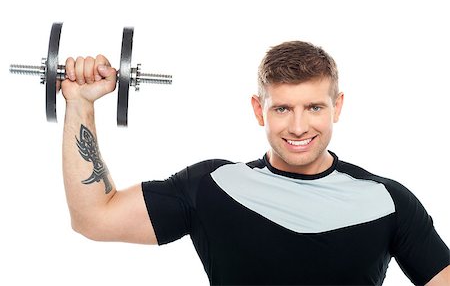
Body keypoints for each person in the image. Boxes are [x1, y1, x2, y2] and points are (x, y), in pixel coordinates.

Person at [61, 41, 449, 285]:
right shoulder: (212, 185)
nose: (298, 127)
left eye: (314, 107)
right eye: (282, 108)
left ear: (338, 107)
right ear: (258, 110)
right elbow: (94, 217)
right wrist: (79, 103)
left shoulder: (386, 201)